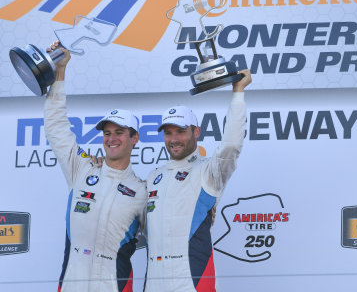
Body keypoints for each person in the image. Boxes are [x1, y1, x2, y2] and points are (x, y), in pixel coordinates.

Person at [44, 42, 146, 292]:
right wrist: (60, 72)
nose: (111, 138)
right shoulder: (82, 168)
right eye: (107, 132)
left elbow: (167, 232)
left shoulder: (142, 190)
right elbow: (56, 127)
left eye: (119, 132)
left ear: (134, 138)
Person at [144, 69, 252, 292]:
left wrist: (238, 93)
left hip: (191, 281)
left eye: (181, 131)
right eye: (168, 133)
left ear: (196, 132)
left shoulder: (209, 170)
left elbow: (231, 145)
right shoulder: (154, 177)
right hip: (154, 283)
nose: (174, 139)